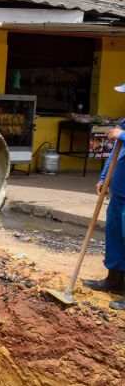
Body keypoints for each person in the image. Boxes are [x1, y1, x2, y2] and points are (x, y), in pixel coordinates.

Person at [83, 83, 125, 310]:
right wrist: (103, 177)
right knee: (115, 236)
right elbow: (115, 152)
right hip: (119, 193)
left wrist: (123, 134)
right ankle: (114, 279)